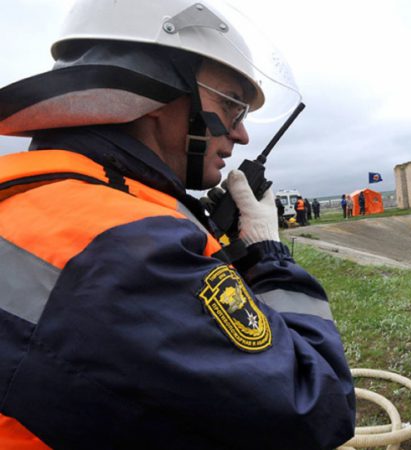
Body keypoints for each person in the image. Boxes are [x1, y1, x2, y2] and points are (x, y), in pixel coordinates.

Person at [0, 1, 355, 448]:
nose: (242, 135)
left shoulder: (36, 195)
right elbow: (316, 404)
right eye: (232, 106)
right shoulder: (130, 245)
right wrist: (268, 253)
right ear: (154, 94)